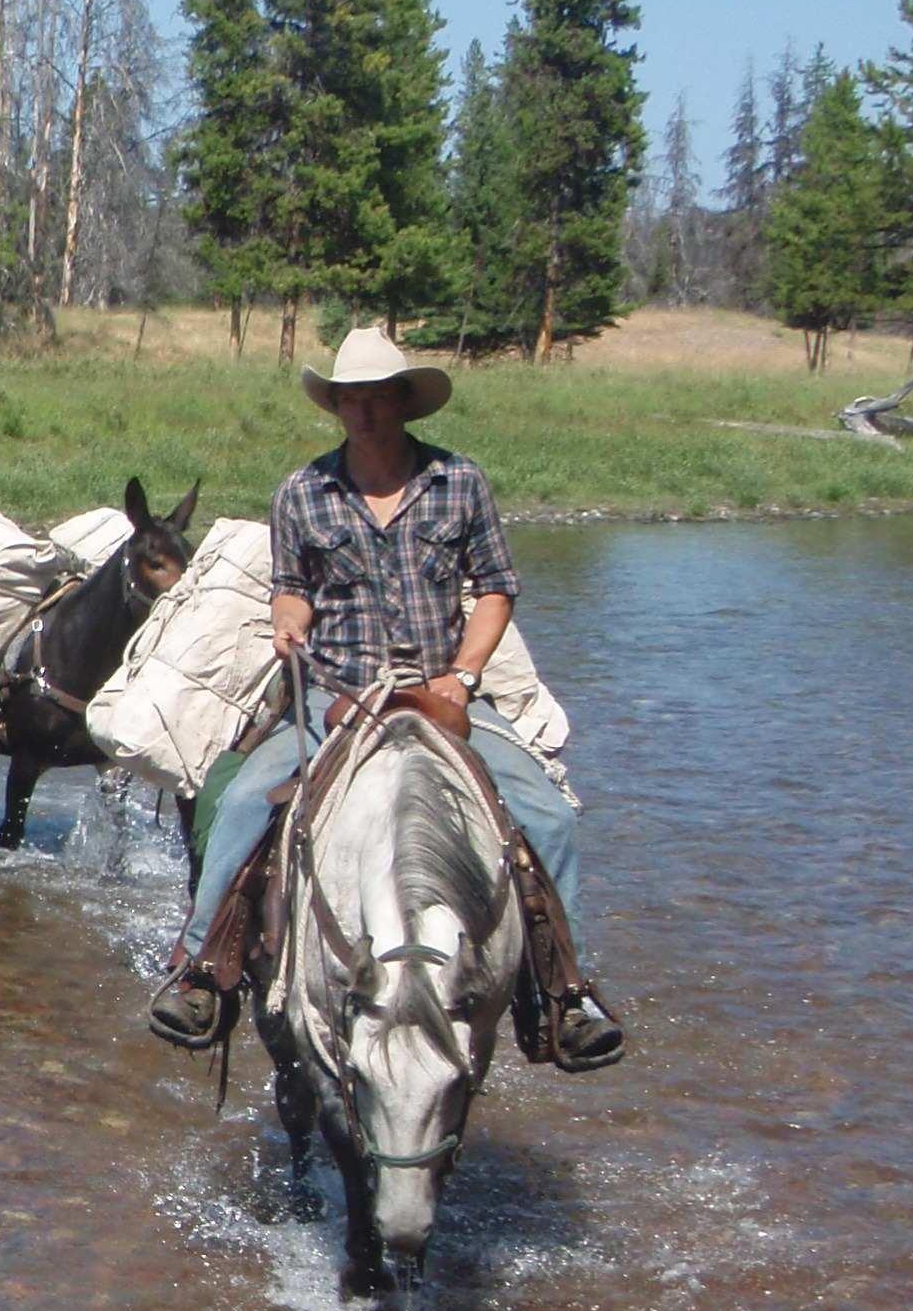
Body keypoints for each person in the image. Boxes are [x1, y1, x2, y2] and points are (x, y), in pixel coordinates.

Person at [149, 328, 622, 1066]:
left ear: (404, 402)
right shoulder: (303, 491)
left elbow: (496, 589)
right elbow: (292, 588)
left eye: (375, 399)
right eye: (349, 400)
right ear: (335, 405)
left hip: (440, 692)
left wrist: (462, 676)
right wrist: (287, 622)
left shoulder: (458, 482)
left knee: (550, 818)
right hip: (333, 692)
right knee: (241, 804)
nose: (362, 413)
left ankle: (565, 992)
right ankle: (203, 969)